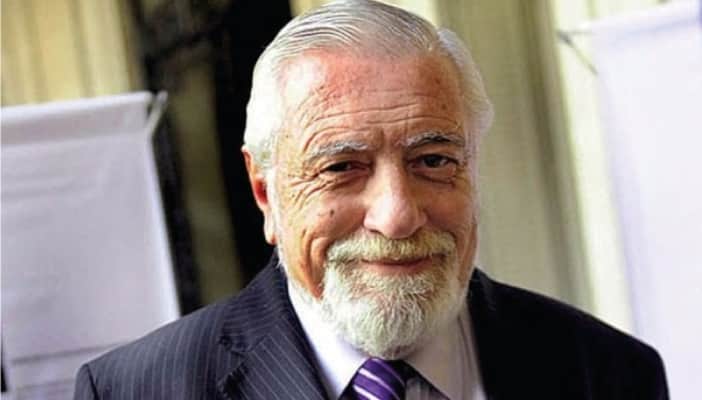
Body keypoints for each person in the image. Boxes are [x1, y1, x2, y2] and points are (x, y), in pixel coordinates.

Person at [74, 1, 668, 399]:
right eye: (341, 167)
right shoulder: (138, 390)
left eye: (433, 160)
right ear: (265, 193)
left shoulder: (610, 372)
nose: (397, 215)